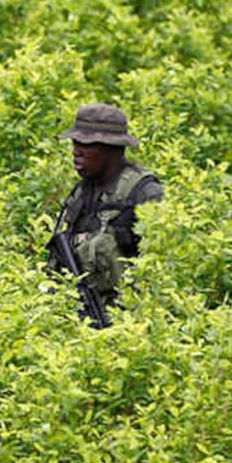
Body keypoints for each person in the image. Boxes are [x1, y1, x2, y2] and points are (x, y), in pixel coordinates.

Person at [48, 103, 163, 321]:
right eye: (75, 142)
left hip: (129, 319)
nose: (76, 151)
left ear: (112, 149)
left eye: (86, 145)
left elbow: (161, 269)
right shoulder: (81, 193)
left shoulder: (143, 193)